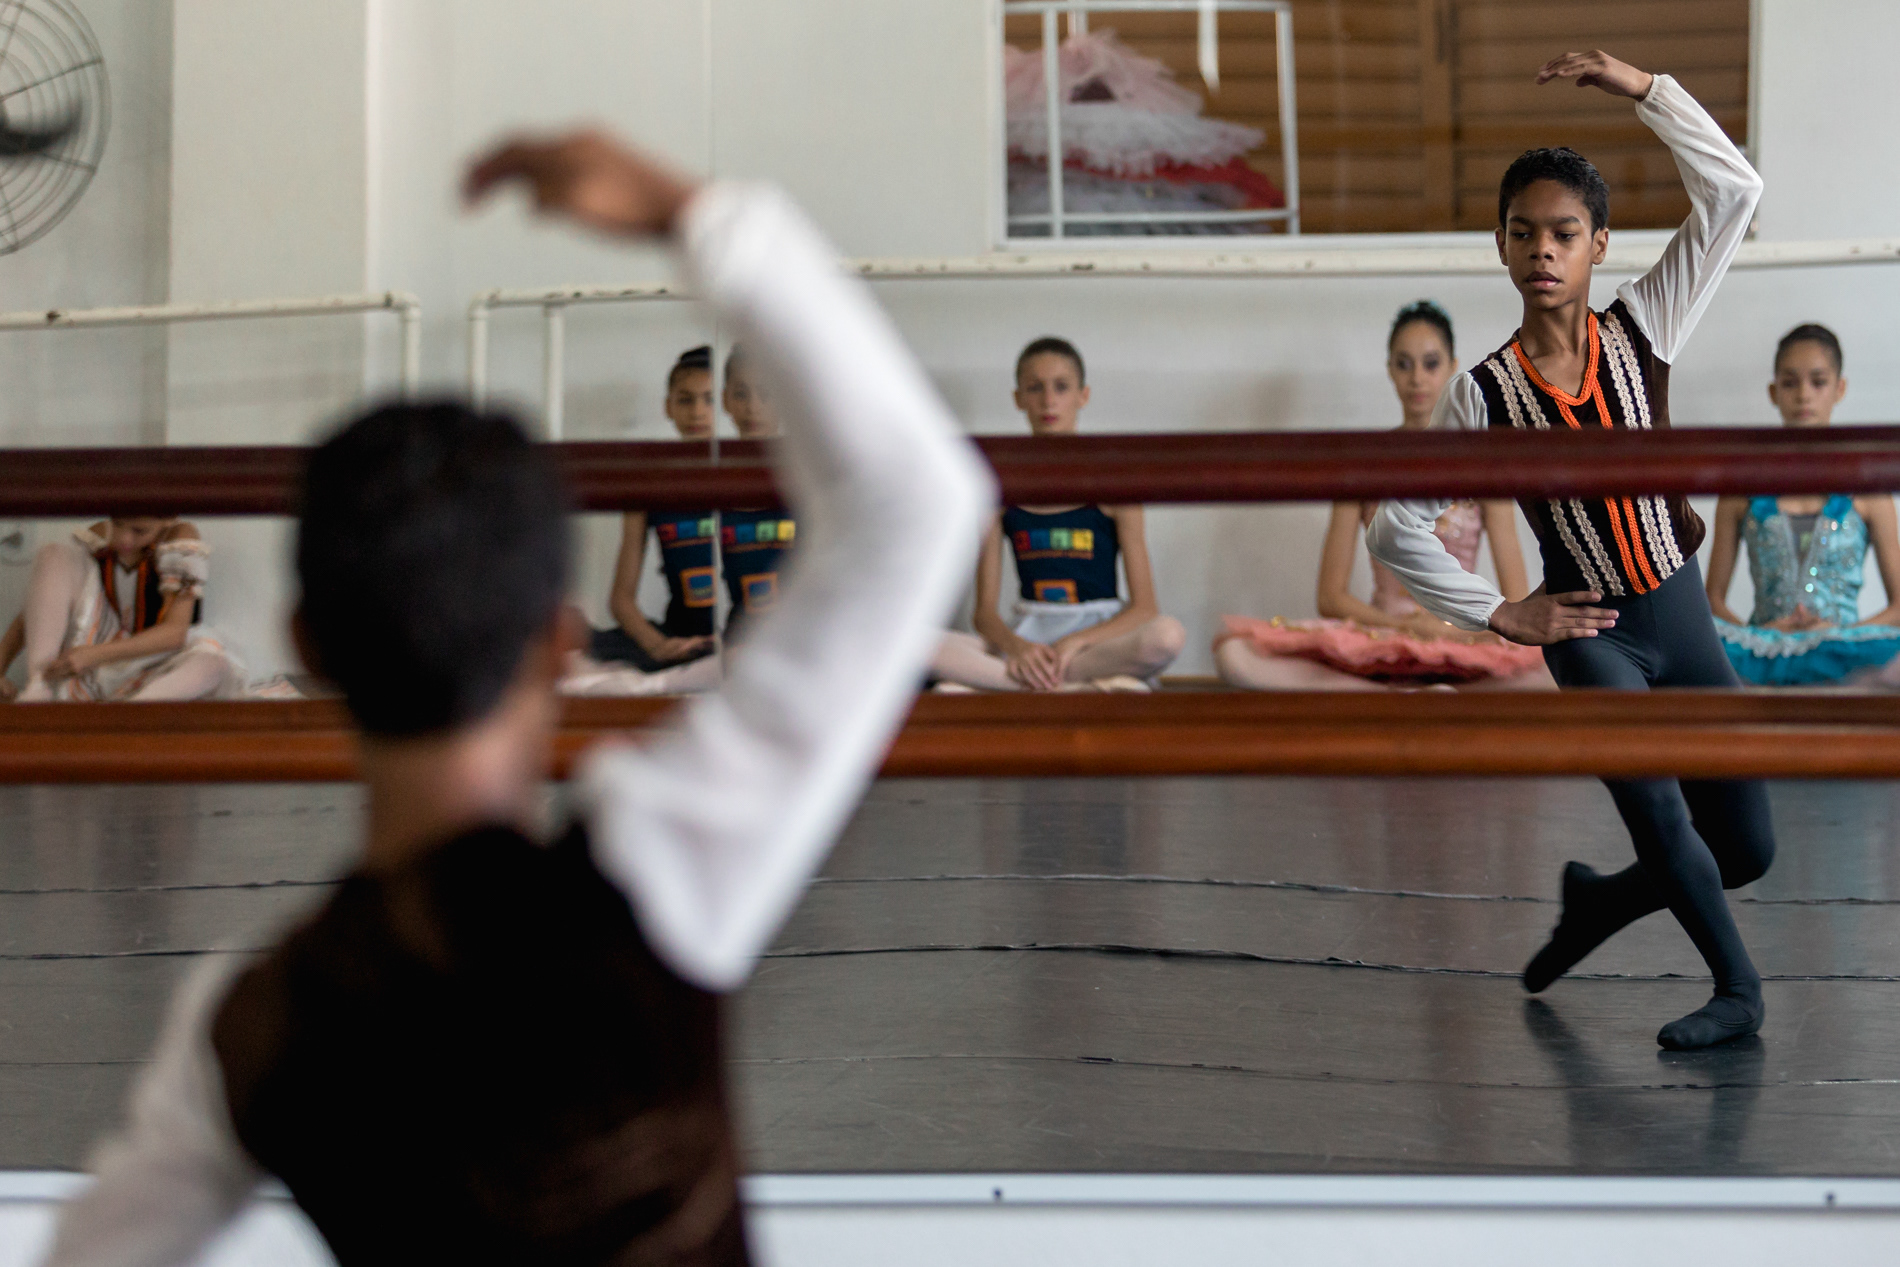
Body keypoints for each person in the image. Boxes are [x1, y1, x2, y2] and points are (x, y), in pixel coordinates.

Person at [40, 131, 990, 1265]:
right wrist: (694, 214)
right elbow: (916, 501)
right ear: (556, 643)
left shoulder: (253, 1020)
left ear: (312, 647)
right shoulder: (664, 876)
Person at [1364, 52, 1772, 1050]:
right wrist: (1503, 613)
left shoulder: (1646, 322)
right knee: (1664, 822)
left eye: (1563, 233)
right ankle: (1739, 991)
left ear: (1597, 244)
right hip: (1592, 633)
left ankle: (1595, 905)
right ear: (1499, 247)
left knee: (1746, 847)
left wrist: (1644, 90)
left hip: (1678, 611)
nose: (1542, 250)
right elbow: (1393, 524)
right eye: (1522, 233)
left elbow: (1735, 190)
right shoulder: (1482, 393)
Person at [1214, 302, 1551, 691]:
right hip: (1381, 635)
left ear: (1453, 366)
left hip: (1461, 639)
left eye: (1430, 363)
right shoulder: (1363, 464)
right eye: (1404, 364)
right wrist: (1401, 627)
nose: (1417, 379)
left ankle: (1402, 699)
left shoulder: (1482, 466)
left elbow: (1514, 598)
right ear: (1389, 369)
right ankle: (1409, 698)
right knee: (1236, 656)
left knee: (1557, 668)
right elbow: (1331, 596)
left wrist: (1448, 632)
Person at [929, 336, 1185, 692]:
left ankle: (1021, 686)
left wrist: (1076, 641)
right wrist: (1017, 647)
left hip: (1098, 641)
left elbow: (1145, 608)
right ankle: (1077, 687)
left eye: (1061, 387)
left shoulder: (1116, 485)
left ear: (1083, 395)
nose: (1049, 400)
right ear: (1019, 399)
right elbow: (984, 614)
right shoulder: (998, 489)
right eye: (1035, 388)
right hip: (1029, 636)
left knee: (1167, 635)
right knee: (918, 643)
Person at [1704, 324, 1900, 684]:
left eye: (1818, 382)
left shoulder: (1870, 490)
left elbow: (1899, 606)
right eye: (1791, 383)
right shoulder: (1739, 489)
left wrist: (1836, 632)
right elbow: (1710, 601)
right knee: (1692, 648)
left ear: (1839, 388)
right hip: (1763, 649)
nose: (1804, 395)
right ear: (1773, 391)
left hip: (1843, 650)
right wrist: (1770, 634)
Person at [576, 345, 723, 695]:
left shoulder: (753, 479)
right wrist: (658, 646)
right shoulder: (649, 485)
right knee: (574, 641)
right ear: (668, 407)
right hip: (678, 638)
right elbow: (621, 600)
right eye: (685, 400)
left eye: (709, 399)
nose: (697, 411)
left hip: (743, 638)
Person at [0, 518, 241, 703]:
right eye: (117, 524)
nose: (124, 539)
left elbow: (174, 634)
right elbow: (42, 605)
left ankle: (129, 716)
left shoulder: (179, 537)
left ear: (166, 519)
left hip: (158, 659)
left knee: (213, 664)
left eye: (139, 531)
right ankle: (37, 687)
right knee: (54, 554)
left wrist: (90, 655)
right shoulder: (100, 533)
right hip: (102, 646)